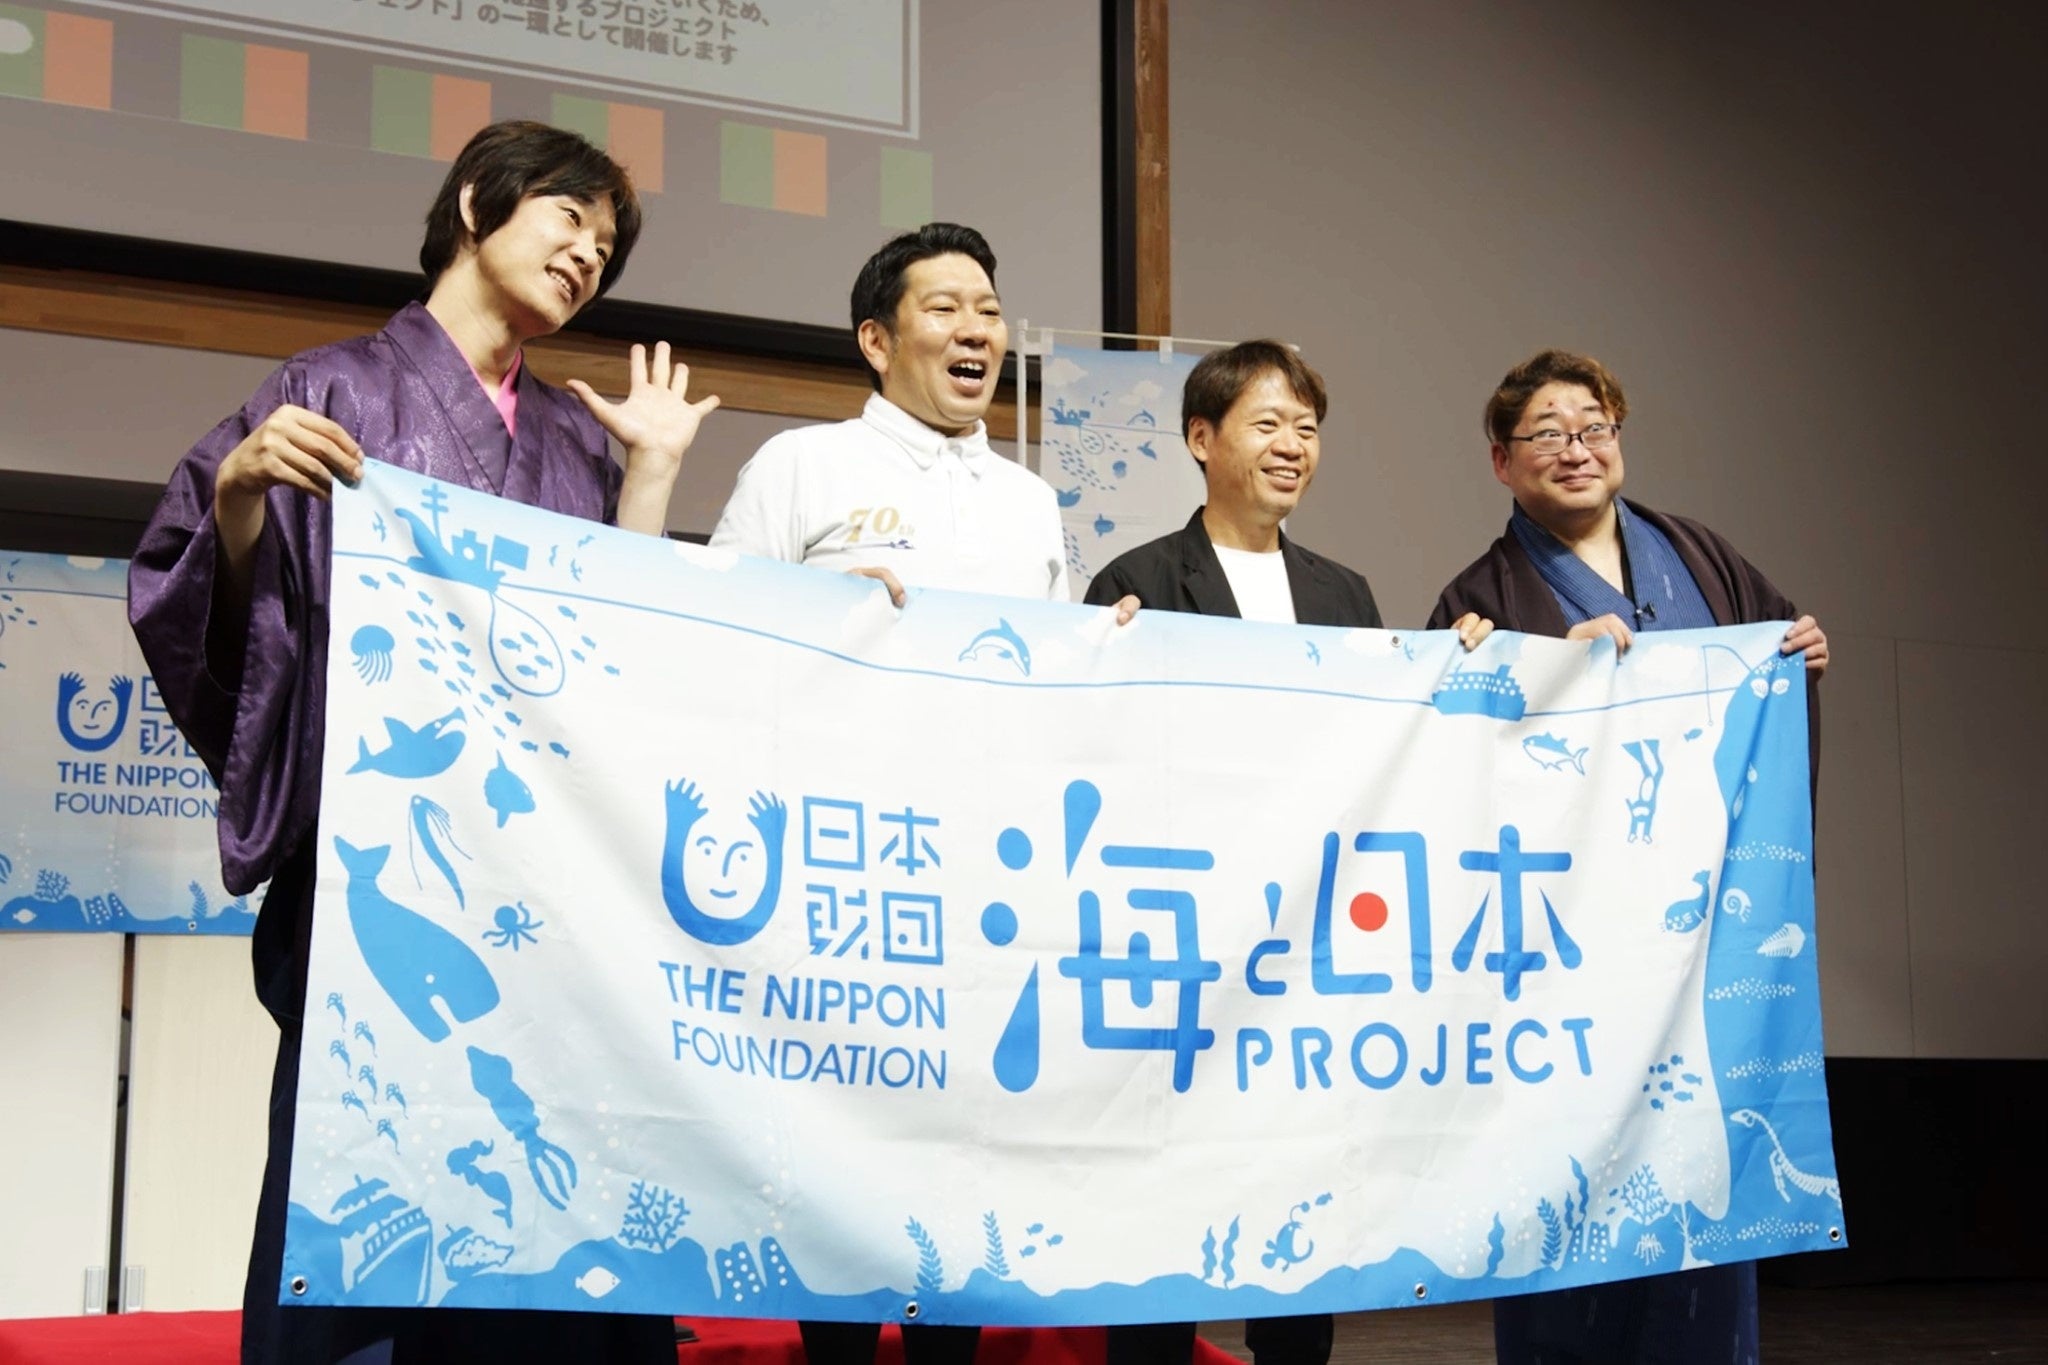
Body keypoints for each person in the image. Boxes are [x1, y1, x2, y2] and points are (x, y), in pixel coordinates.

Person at [128, 119, 717, 1365]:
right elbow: (221, 624)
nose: (587, 254)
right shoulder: (331, 389)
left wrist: (653, 477)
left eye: (606, 247)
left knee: (557, 1217)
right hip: (380, 887)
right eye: (568, 217)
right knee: (364, 1209)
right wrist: (238, 494)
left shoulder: (577, 440)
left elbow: (617, 664)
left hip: (544, 905)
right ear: (475, 205)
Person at [710, 221, 1130, 1365]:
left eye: (987, 309)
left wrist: (1103, 648)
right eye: (945, 307)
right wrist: (809, 612)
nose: (975, 329)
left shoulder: (1028, 501)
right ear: (876, 340)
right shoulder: (800, 465)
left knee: (959, 1161)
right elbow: (715, 645)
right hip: (844, 870)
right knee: (841, 1149)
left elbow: (1053, 686)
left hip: (986, 874)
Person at [1083, 340, 1486, 1365]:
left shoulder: (1343, 592)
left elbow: (1384, 742)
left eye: (1307, 429)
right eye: (1267, 424)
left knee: (1301, 1196)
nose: (1292, 446)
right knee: (1165, 1208)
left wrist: (1462, 664)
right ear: (1200, 438)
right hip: (1182, 943)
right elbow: (1097, 750)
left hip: (1304, 944)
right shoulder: (1135, 581)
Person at [1427, 347, 1827, 1365]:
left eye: (1593, 426)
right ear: (1500, 460)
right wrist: (1536, 673)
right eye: (1545, 433)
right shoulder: (1481, 597)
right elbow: (1450, 764)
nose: (1576, 448)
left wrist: (1798, 656)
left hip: (1699, 944)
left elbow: (1770, 677)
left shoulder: (1698, 555)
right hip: (1566, 961)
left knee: (1700, 1199)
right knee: (1560, 1209)